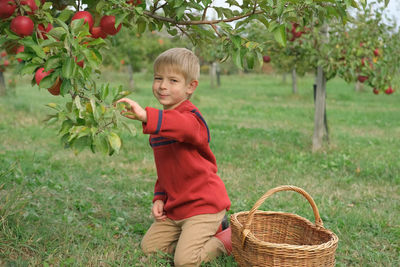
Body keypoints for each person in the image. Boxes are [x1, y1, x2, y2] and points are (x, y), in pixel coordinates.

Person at [117, 47, 231, 266]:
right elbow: (166, 168)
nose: (162, 86)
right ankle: (195, 235)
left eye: (173, 80)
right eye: (158, 78)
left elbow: (183, 127)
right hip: (176, 208)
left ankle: (225, 238)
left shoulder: (191, 119)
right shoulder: (161, 125)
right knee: (150, 248)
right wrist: (160, 196)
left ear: (190, 86)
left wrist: (146, 115)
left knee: (185, 262)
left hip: (203, 205)